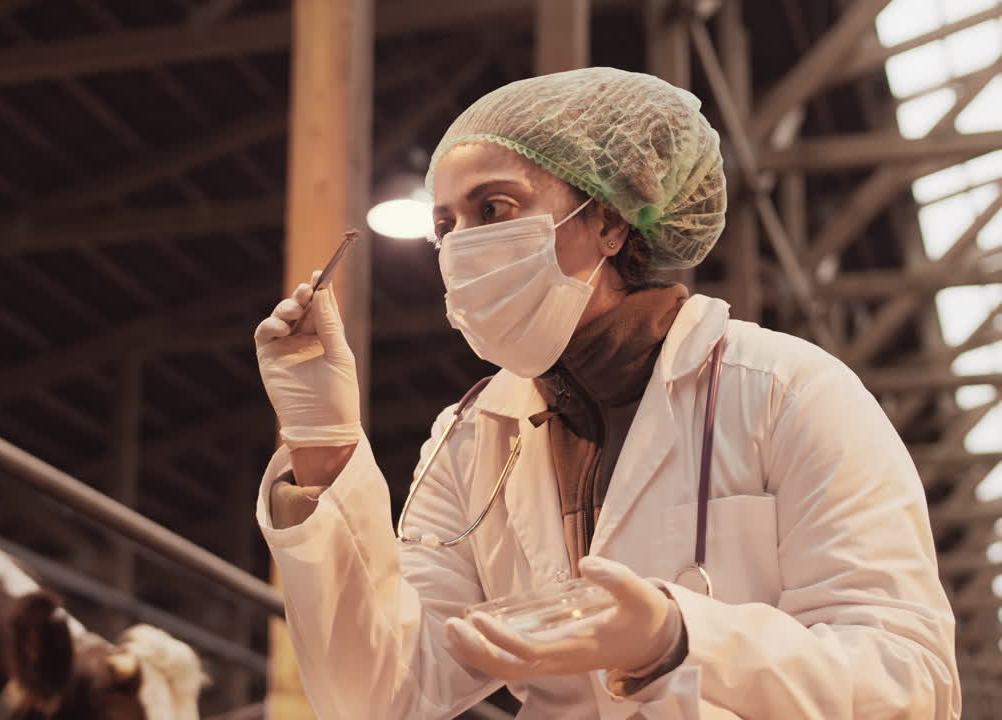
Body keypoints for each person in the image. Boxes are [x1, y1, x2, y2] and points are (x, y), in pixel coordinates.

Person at [252, 67, 960, 719]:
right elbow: (383, 691)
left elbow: (909, 683)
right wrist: (325, 449)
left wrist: (677, 638)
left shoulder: (787, 390)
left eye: (494, 208)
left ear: (610, 222)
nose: (461, 246)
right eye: (446, 226)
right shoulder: (470, 436)